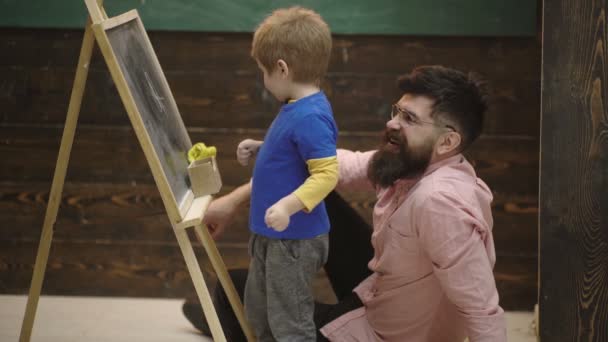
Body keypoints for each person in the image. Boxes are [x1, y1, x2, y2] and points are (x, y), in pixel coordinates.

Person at [183, 65, 507, 341]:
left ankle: (229, 320)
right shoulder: (410, 164)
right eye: (397, 111)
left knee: (233, 292)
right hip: (380, 292)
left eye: (409, 118)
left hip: (385, 334)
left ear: (448, 141)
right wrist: (235, 200)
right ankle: (237, 317)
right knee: (316, 186)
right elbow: (332, 166)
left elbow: (480, 307)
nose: (393, 123)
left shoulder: (441, 202)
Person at [228, 6, 338, 342]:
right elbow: (294, 152)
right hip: (272, 233)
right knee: (259, 310)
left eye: (263, 71)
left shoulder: (310, 116)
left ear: (282, 68)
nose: (264, 79)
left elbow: (327, 174)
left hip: (293, 238)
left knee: (289, 320)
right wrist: (262, 147)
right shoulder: (296, 107)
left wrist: (288, 206)